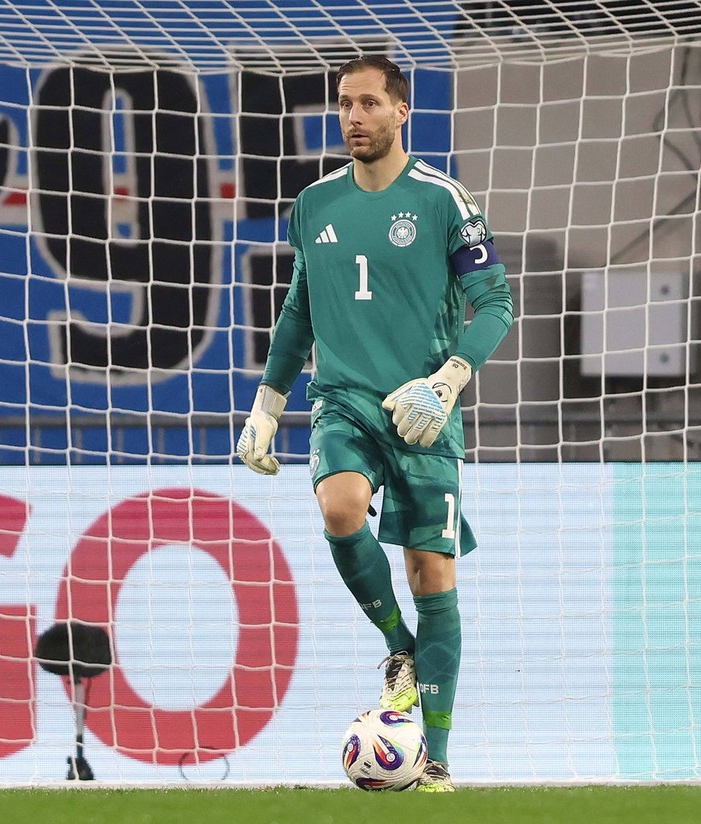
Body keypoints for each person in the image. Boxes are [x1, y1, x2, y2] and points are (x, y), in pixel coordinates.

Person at [236, 54, 513, 793]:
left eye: (367, 104)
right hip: (347, 399)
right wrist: (269, 406)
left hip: (425, 412)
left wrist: (448, 382)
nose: (353, 117)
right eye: (343, 104)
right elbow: (300, 309)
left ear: (400, 113)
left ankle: (438, 762)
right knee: (338, 505)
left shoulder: (444, 200)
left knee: (433, 574)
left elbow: (496, 303)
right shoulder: (315, 202)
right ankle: (399, 650)